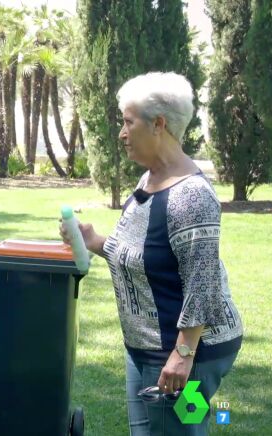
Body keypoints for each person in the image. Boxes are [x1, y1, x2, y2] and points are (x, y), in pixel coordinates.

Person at [60, 72, 243, 435]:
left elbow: (203, 285)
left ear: (159, 124)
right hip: (148, 347)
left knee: (178, 431)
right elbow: (148, 255)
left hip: (185, 354)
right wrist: (93, 240)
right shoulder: (151, 178)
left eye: (128, 122)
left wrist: (183, 355)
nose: (121, 133)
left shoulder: (190, 196)